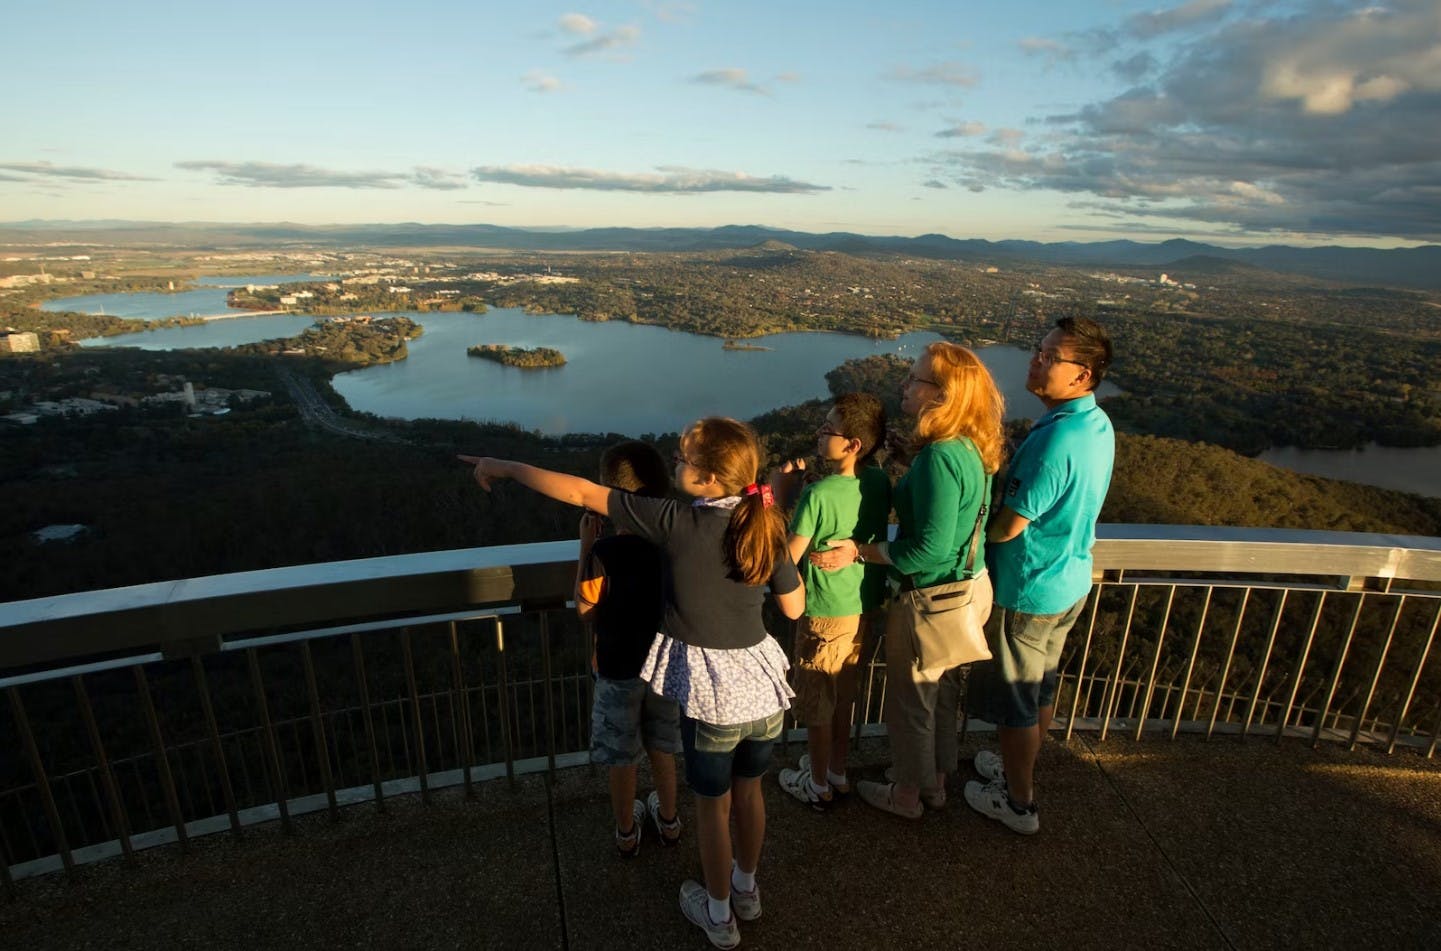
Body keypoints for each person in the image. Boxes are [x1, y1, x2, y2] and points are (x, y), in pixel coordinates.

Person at [461, 416, 803, 951]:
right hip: (764, 691)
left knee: (712, 808)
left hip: (714, 698)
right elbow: (794, 604)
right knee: (750, 793)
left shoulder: (676, 523)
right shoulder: (765, 523)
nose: (676, 462)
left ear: (711, 478)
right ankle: (746, 890)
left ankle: (718, 917)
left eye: (685, 458)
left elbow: (579, 491)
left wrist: (500, 466)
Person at [811, 342, 1005, 819]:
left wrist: (860, 551)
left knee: (911, 703)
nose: (905, 385)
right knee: (939, 699)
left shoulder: (941, 457)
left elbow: (928, 549)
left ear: (944, 394)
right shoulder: (966, 446)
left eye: (915, 379)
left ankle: (907, 795)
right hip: (967, 586)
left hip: (931, 597)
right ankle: (935, 783)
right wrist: (909, 460)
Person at [963, 316, 1114, 836]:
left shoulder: (1056, 443)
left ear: (1083, 375)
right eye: (1038, 350)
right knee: (1041, 689)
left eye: (1050, 356)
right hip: (1068, 581)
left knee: (1017, 704)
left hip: (1028, 588)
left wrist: (964, 543)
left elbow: (1008, 525)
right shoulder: (1095, 424)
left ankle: (1019, 801)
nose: (1036, 360)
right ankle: (1017, 772)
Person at [773, 393, 889, 811]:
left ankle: (817, 784)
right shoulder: (877, 481)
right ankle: (837, 771)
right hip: (862, 608)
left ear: (854, 443)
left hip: (823, 613)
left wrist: (777, 498)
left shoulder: (819, 494)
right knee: (842, 696)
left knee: (817, 703)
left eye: (828, 430)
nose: (820, 435)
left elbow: (787, 559)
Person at [574, 440, 681, 857]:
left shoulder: (607, 551)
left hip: (618, 668)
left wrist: (586, 545)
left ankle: (626, 833)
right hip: (664, 666)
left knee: (623, 755)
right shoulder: (672, 546)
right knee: (663, 747)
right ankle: (669, 822)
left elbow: (586, 608)